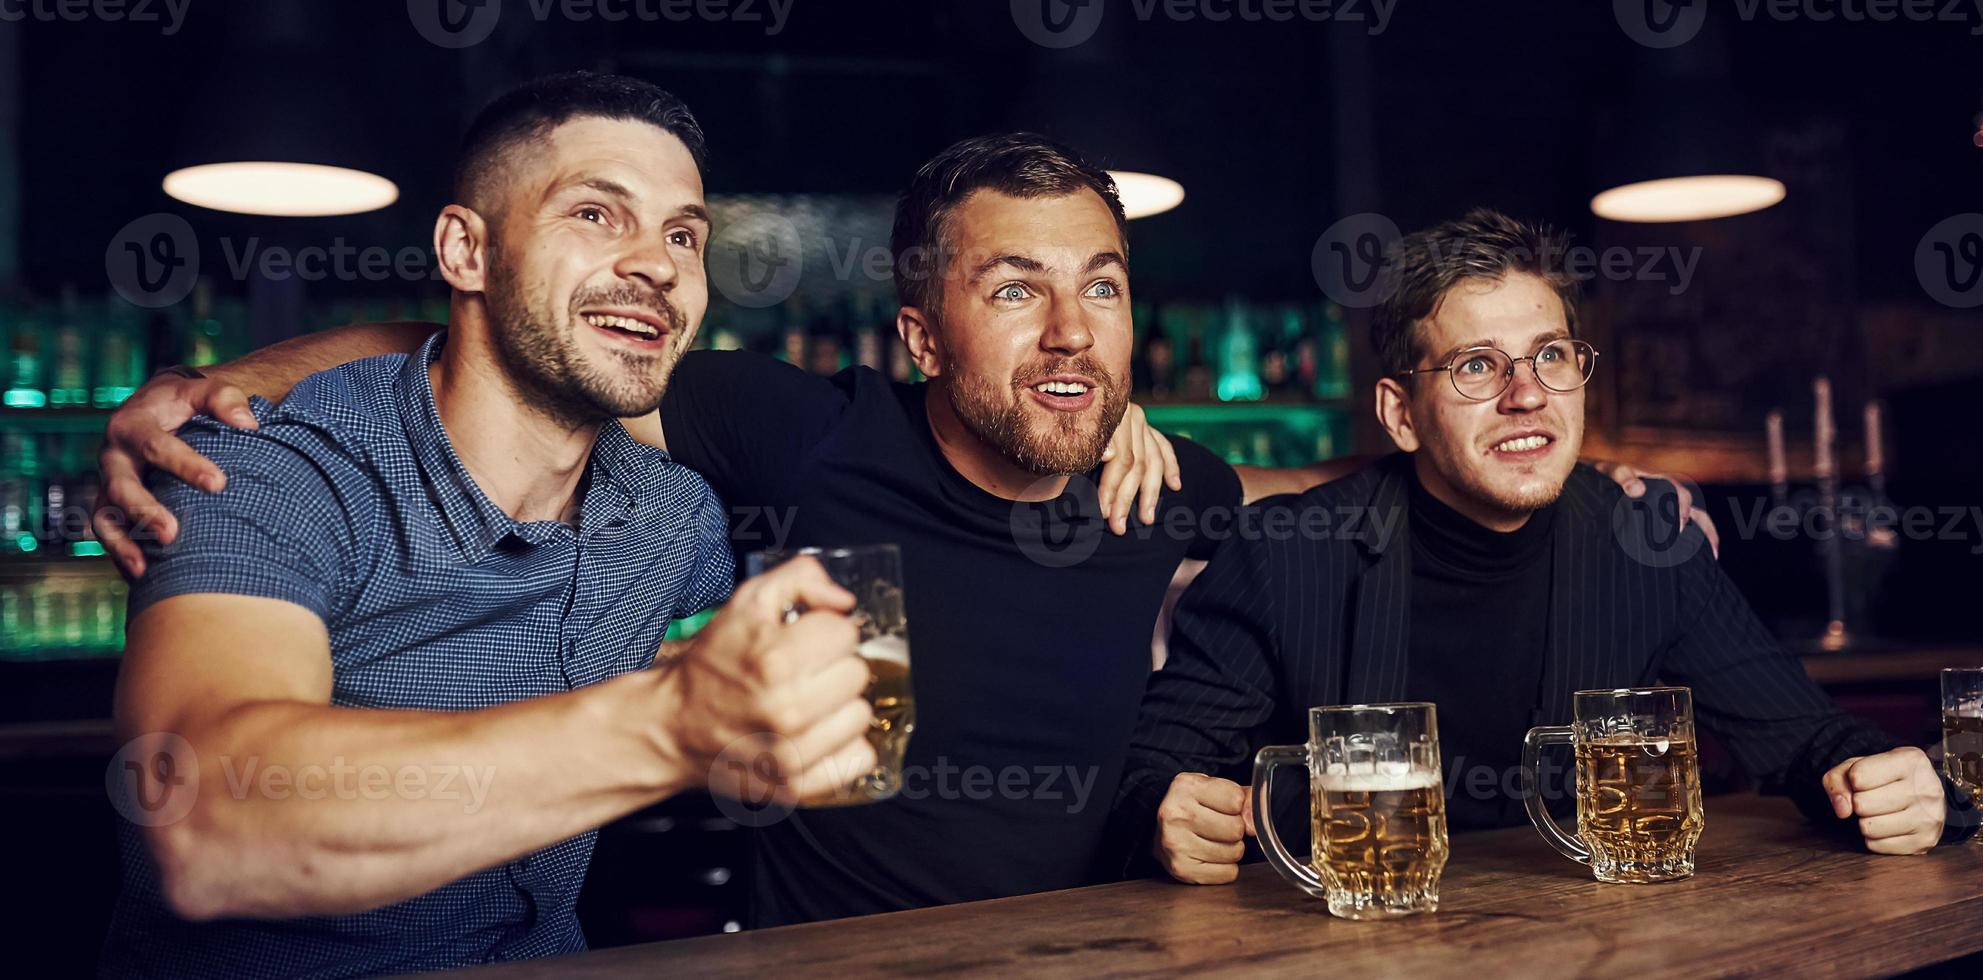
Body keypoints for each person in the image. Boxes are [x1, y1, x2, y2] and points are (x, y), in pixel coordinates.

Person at [97, 137, 1687, 925]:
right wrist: (229, 380)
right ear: (923, 335)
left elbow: (1324, 505)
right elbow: (514, 357)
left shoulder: (1150, 480)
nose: (1070, 334)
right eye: (1014, 291)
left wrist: (1561, 479)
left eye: (1100, 289)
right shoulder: (795, 431)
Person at [97, 73, 882, 978]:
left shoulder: (669, 516)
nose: (659, 265)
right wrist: (670, 721)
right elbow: (201, 820)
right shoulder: (270, 469)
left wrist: (1091, 447)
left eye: (682, 236)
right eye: (595, 213)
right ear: (464, 250)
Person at [1124, 209, 1978, 887]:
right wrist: (1168, 816)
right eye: (1475, 367)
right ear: (1398, 413)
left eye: (1549, 355)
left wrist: (1902, 787)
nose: (1526, 394)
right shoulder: (1285, 554)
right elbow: (1151, 775)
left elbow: (1805, 742)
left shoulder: (1643, 542)